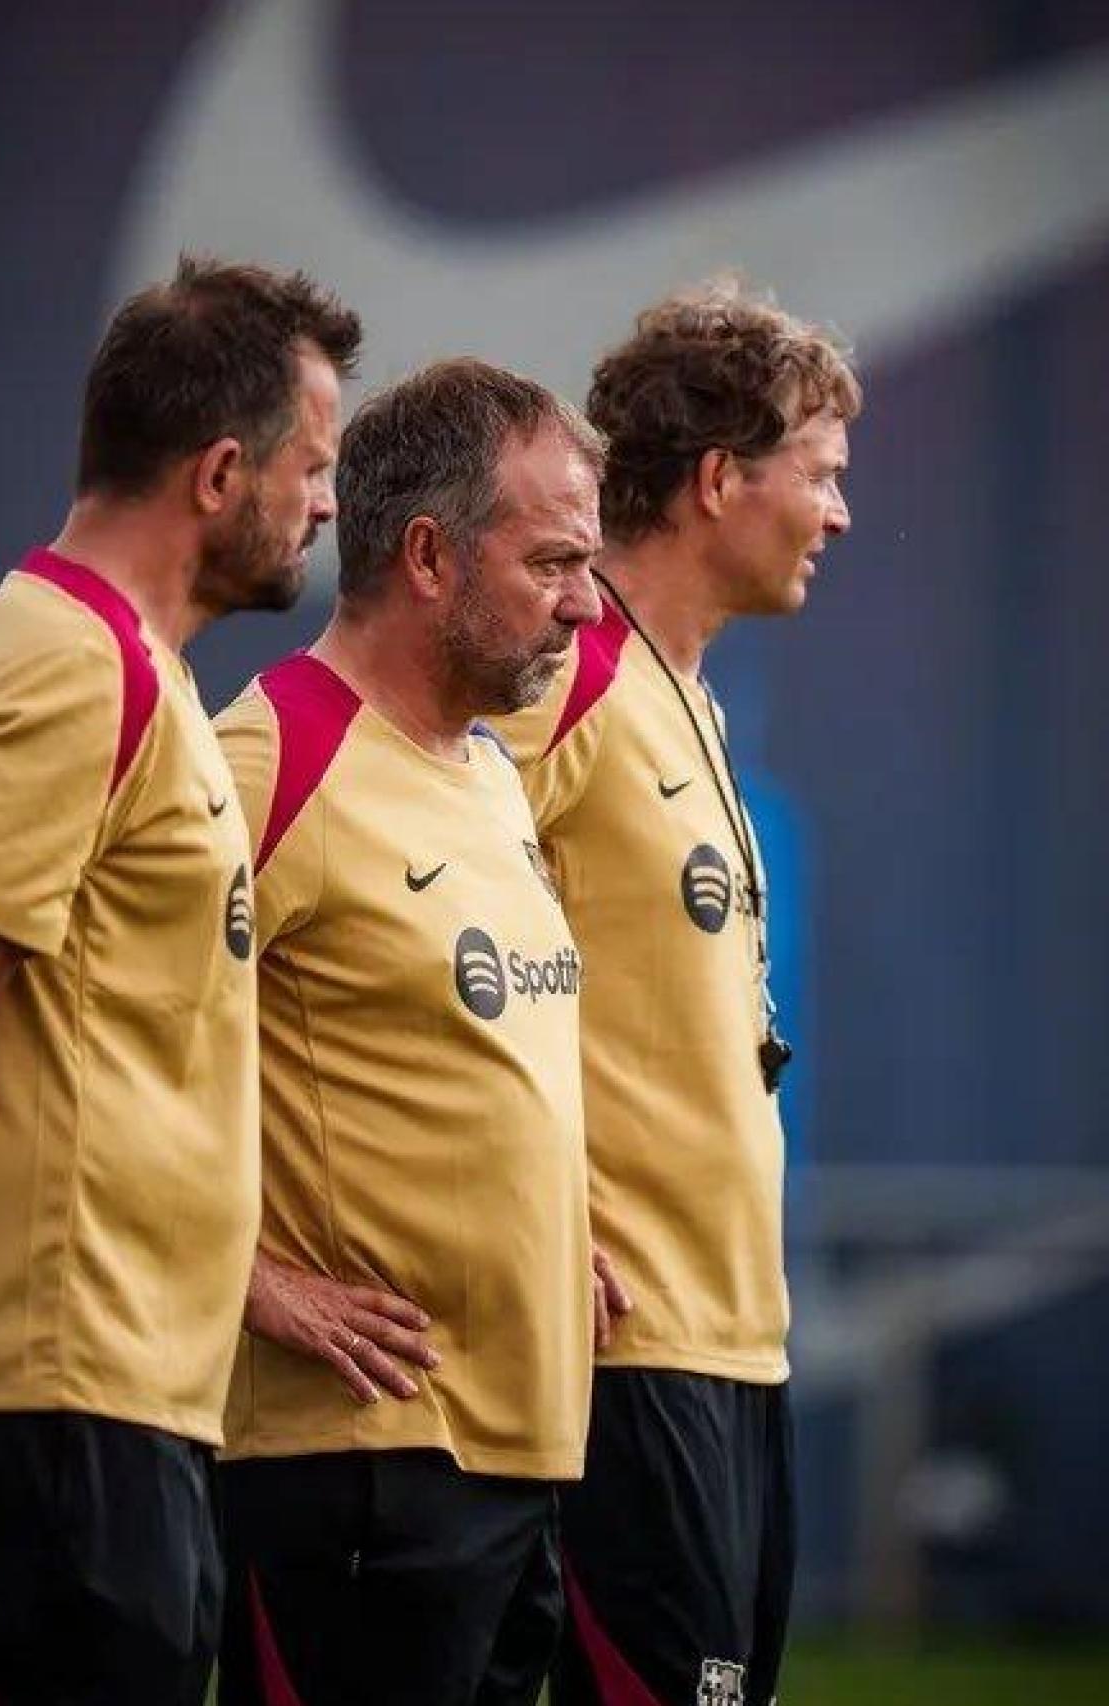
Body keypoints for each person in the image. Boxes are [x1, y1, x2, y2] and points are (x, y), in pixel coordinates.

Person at [0, 255, 360, 1705]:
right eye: (312, 467)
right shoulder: (68, 669)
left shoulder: (142, 677)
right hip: (24, 1414)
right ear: (220, 471)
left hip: (110, 1413)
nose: (326, 505)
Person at [212, 359, 605, 1706]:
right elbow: (64, 1039)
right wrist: (249, 1278)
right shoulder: (267, 756)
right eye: (553, 560)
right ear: (428, 553)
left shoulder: (492, 771)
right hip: (357, 1466)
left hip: (523, 1452)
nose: (582, 604)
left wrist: (556, 1227)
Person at [494, 284, 860, 1706]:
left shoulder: (687, 702)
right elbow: (388, 938)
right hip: (626, 1350)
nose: (838, 515)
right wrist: (532, 1210)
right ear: (720, 480)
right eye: (820, 476)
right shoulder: (564, 677)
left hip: (732, 1343)